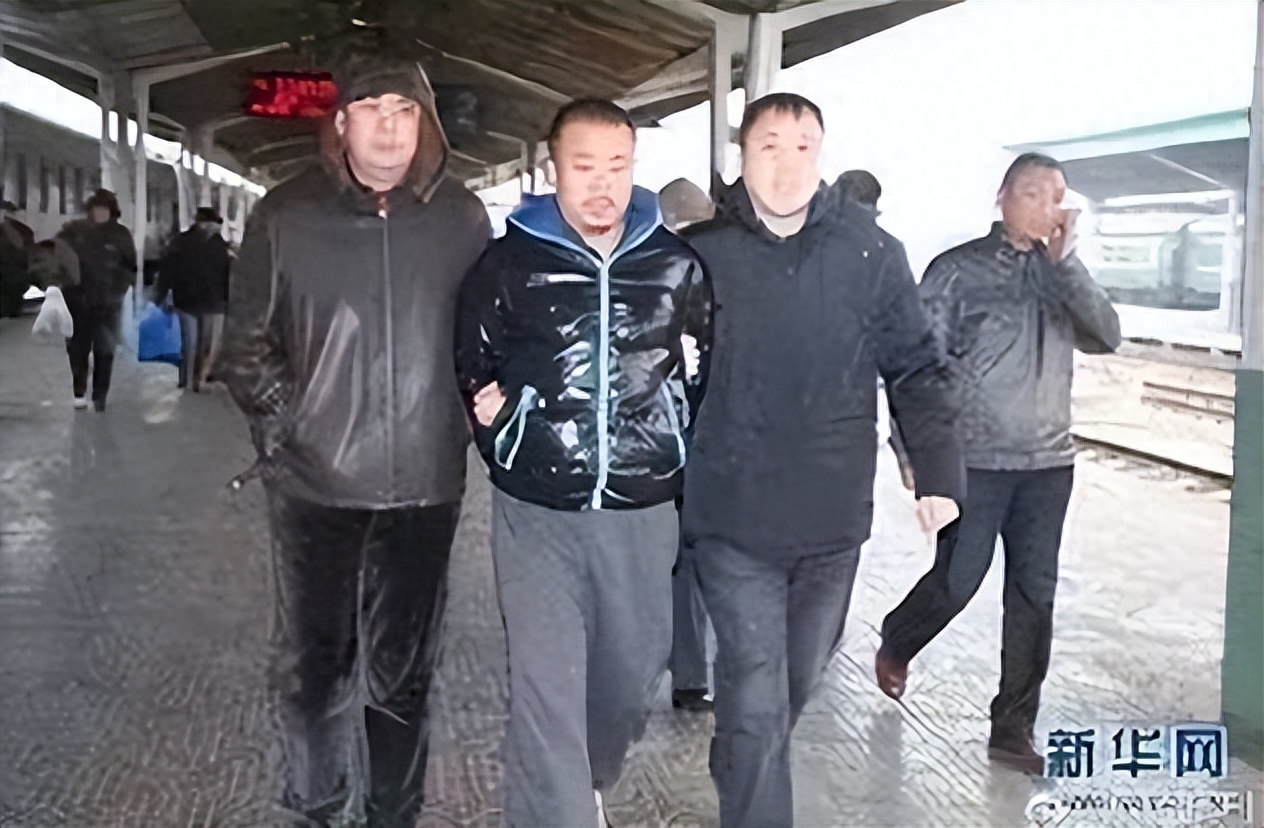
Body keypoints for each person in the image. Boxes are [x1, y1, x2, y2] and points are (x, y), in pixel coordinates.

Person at [216, 48, 490, 828]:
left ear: (427, 125)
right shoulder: (286, 216)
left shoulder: (462, 219)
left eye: (405, 112)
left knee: (406, 671)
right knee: (315, 666)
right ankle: (317, 801)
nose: (389, 129)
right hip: (316, 487)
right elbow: (246, 347)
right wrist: (292, 426)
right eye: (371, 111)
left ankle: (392, 811)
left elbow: (487, 336)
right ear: (340, 123)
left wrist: (469, 414)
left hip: (425, 485)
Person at [678, 93, 964, 828]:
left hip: (831, 521)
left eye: (803, 146)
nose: (787, 165)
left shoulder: (871, 254)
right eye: (769, 146)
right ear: (742, 159)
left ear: (823, 156)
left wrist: (936, 472)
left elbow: (915, 367)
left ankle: (740, 758)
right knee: (755, 688)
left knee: (790, 688)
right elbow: (646, 358)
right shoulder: (701, 256)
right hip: (731, 517)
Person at [454, 98, 712, 828]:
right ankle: (560, 808)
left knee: (632, 673)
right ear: (553, 169)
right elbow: (472, 362)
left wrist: (678, 438)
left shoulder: (675, 265)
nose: (602, 184)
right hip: (535, 509)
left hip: (642, 506)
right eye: (584, 166)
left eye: (618, 167)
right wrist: (504, 430)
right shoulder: (507, 265)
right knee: (546, 688)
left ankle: (584, 779)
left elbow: (707, 363)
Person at [875, 153, 1122, 775]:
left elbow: (1107, 335)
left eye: (1058, 197)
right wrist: (914, 456)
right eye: (1034, 193)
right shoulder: (956, 271)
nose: (1048, 207)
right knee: (959, 579)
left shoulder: (1062, 272)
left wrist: (1067, 266)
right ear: (1002, 198)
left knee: (1034, 597)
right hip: (974, 461)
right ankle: (900, 637)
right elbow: (913, 367)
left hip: (1048, 464)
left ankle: (1013, 728)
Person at [657, 177, 717, 713]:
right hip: (699, 442)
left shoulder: (659, 271)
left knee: (684, 562)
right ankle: (695, 673)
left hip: (677, 441)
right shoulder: (722, 275)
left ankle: (691, 674)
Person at [57, 189, 136, 411]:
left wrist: (119, 290)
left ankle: (100, 395)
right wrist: (66, 284)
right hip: (78, 301)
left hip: (108, 303)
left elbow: (130, 266)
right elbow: (58, 257)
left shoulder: (120, 235)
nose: (100, 213)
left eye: (104, 209)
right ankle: (79, 390)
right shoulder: (74, 231)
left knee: (105, 349)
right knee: (77, 348)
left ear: (112, 211)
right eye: (96, 209)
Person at [153, 207, 231, 391]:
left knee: (196, 343)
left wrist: (161, 295)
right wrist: (162, 295)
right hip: (202, 301)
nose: (214, 228)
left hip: (199, 300)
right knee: (199, 343)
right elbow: (168, 270)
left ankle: (193, 380)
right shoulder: (215, 246)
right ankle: (193, 380)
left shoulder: (185, 242)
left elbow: (166, 270)